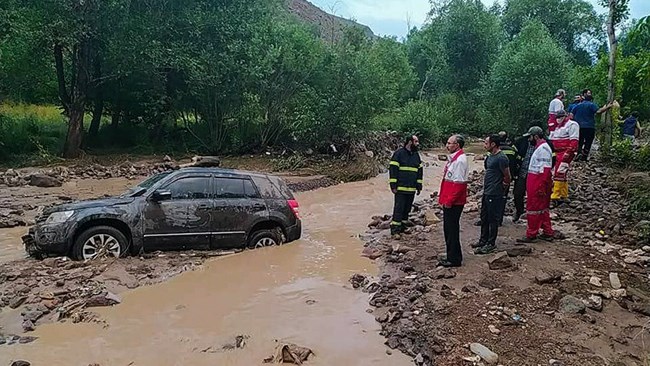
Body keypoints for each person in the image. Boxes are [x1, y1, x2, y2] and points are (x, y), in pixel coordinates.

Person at [474, 134, 511, 255]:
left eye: (486, 143)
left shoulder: (502, 158)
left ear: (493, 144)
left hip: (495, 193)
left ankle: (491, 243)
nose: (484, 145)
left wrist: (502, 188)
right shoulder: (489, 157)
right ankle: (483, 240)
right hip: (487, 191)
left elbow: (507, 176)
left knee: (492, 218)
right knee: (484, 217)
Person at [518, 126, 554, 243]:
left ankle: (532, 233)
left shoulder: (542, 149)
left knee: (533, 208)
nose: (529, 140)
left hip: (538, 183)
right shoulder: (541, 147)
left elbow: (545, 170)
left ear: (536, 137)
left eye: (530, 137)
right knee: (542, 208)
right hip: (537, 182)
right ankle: (547, 231)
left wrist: (541, 186)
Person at [438, 135, 469, 268]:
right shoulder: (454, 159)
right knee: (449, 229)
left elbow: (459, 184)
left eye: (449, 143)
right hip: (450, 199)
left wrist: (449, 201)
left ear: (457, 145)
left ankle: (454, 259)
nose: (447, 145)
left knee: (451, 229)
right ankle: (452, 255)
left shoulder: (460, 161)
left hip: (454, 202)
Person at [388, 135, 423, 237]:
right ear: (409, 142)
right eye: (416, 141)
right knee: (399, 209)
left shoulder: (416, 155)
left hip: (411, 188)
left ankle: (403, 227)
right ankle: (395, 230)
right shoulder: (399, 154)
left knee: (407, 209)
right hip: (400, 188)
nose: (417, 144)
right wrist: (393, 185)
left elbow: (419, 171)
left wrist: (419, 185)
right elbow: (393, 170)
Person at [572, 89, 613, 161]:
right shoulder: (591, 105)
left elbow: (571, 115)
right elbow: (598, 111)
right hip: (589, 126)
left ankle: (578, 153)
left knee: (580, 141)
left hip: (579, 127)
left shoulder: (577, 106)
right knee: (588, 141)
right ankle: (584, 156)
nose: (590, 94)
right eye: (589, 93)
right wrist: (608, 107)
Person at [549, 110, 579, 204]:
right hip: (556, 152)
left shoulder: (572, 125)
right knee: (561, 172)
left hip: (565, 152)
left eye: (560, 117)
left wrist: (569, 152)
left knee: (559, 172)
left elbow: (574, 140)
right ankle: (563, 194)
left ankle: (555, 195)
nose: (558, 119)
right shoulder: (557, 127)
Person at [497, 131, 521, 225]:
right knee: (503, 197)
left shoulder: (494, 150)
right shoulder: (512, 150)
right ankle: (499, 218)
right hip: (508, 177)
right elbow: (518, 161)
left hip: (496, 177)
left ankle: (493, 218)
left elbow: (487, 164)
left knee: (493, 198)